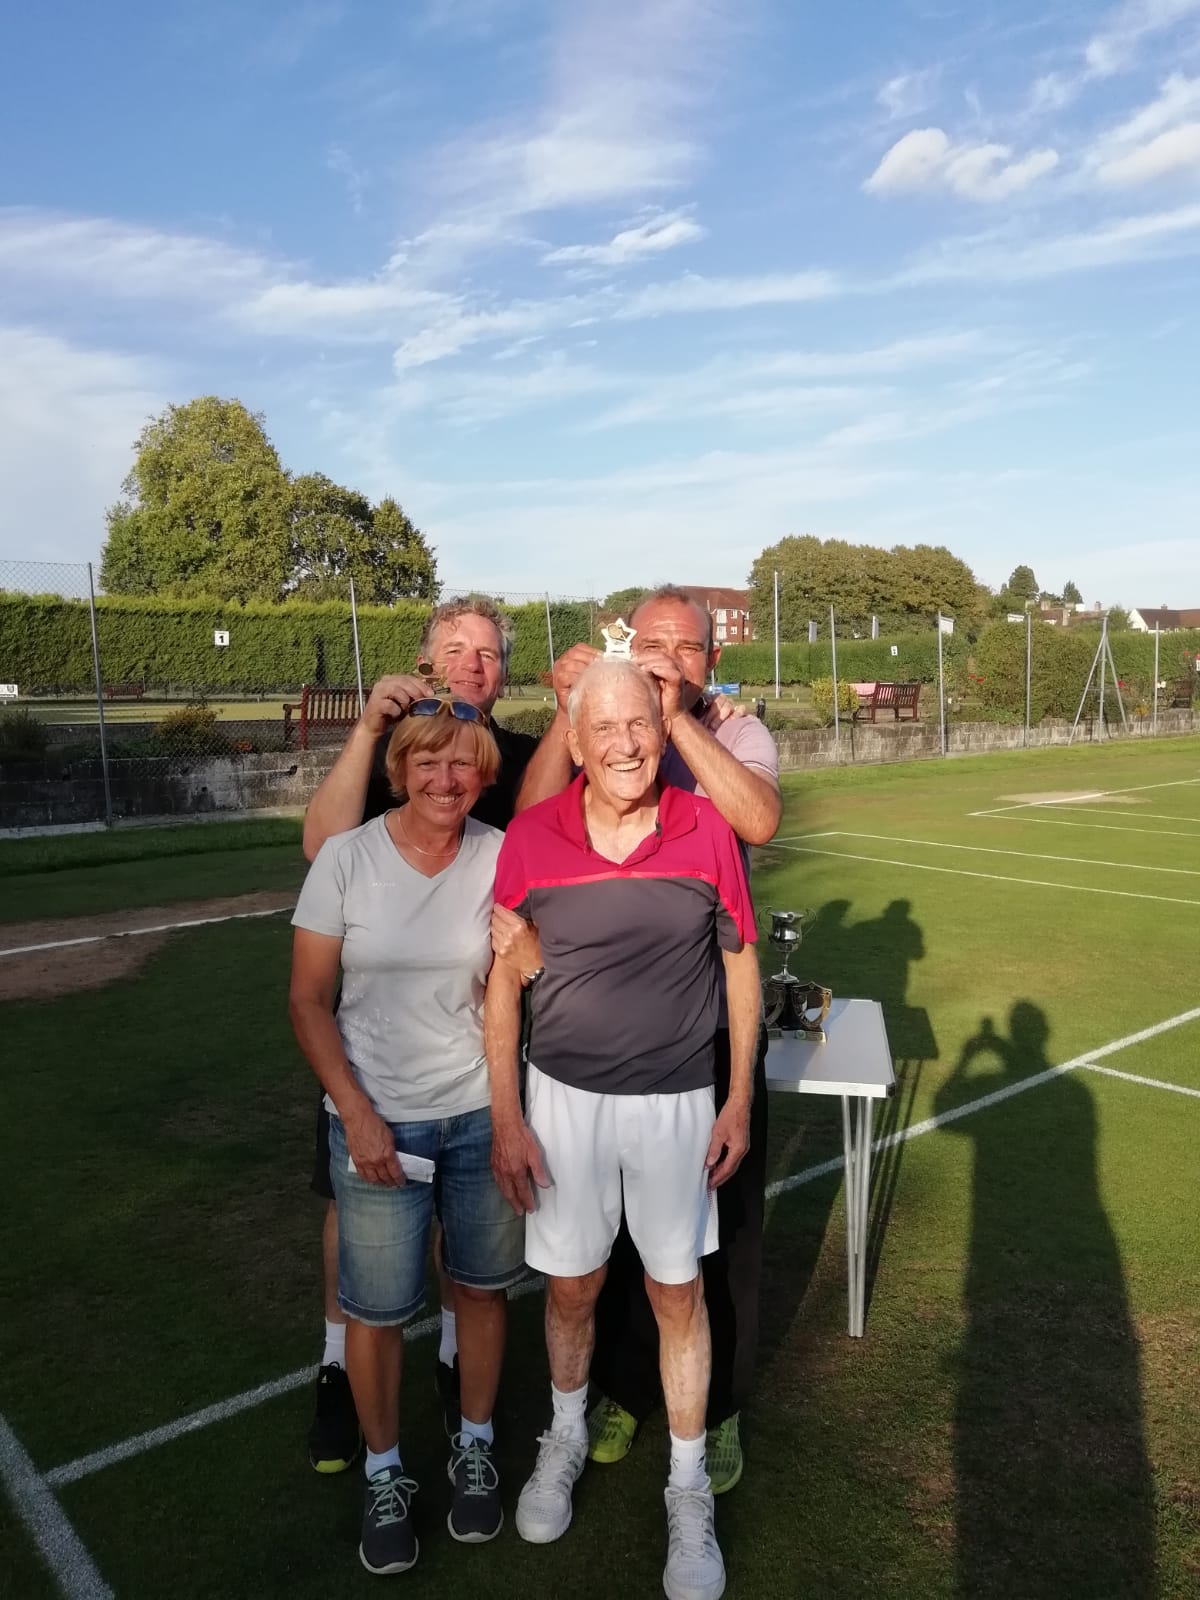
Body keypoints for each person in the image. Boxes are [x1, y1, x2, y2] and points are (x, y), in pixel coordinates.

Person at [487, 659, 762, 1600]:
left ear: (663, 720)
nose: (624, 744)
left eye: (638, 723)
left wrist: (735, 1101)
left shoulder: (707, 829)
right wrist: (506, 1118)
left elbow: (740, 972)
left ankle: (688, 1489)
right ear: (573, 736)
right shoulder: (528, 836)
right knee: (571, 1290)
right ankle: (563, 1432)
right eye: (601, 727)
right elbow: (501, 981)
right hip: (560, 1102)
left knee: (676, 1294)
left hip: (680, 1101)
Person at [301, 598, 539, 1475]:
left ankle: (461, 1406)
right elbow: (321, 852)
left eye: (487, 652)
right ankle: (349, 1397)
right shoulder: (387, 746)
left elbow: (524, 933)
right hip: (372, 1082)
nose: (472, 663)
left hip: (472, 1094)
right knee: (368, 1275)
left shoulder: (505, 777)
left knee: (475, 1281)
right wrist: (370, 724)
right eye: (455, 649)